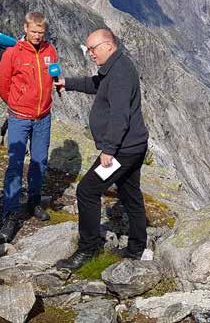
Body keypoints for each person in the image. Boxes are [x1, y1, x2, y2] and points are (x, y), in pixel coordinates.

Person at [53, 28, 149, 269]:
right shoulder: (115, 68)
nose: (90, 54)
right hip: (132, 146)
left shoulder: (119, 74)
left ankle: (88, 250)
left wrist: (109, 150)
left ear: (108, 45)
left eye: (92, 49)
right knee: (130, 194)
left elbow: (120, 116)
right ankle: (137, 247)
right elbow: (97, 84)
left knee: (87, 191)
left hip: (122, 151)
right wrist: (69, 83)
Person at [0, 12, 58, 241]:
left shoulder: (50, 51)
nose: (38, 36)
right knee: (15, 164)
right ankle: (10, 214)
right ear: (25, 28)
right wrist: (15, 102)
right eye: (34, 32)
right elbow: (1, 83)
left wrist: (56, 84)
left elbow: (53, 72)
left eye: (41, 32)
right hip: (20, 117)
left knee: (40, 161)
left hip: (43, 117)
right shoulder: (13, 54)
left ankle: (33, 201)